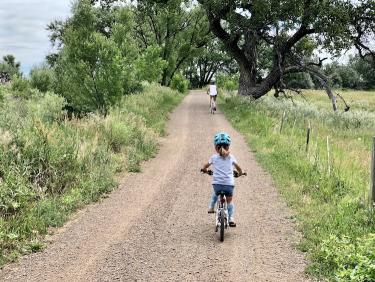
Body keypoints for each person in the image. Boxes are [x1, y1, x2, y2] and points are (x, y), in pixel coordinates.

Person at [201, 132, 243, 227]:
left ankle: (211, 207)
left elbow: (205, 166)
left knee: (216, 193)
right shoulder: (231, 157)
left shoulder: (213, 158)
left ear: (216, 147)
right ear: (228, 146)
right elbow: (239, 169)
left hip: (217, 185)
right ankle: (231, 218)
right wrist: (240, 173)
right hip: (229, 185)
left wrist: (205, 170)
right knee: (229, 201)